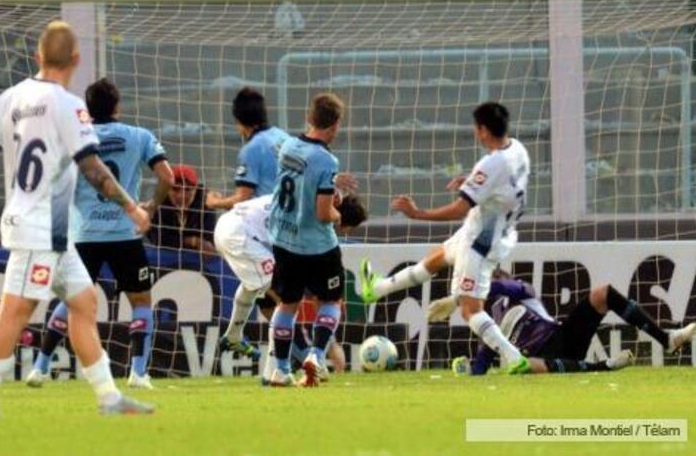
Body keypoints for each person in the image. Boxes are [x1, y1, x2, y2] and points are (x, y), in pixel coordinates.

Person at [0, 21, 153, 417]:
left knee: (83, 303)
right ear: (76, 60)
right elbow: (92, 167)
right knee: (15, 311)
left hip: (53, 230)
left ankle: (109, 398)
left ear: (38, 57)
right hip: (40, 229)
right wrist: (131, 206)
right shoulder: (68, 105)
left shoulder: (11, 97)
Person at [359, 102, 532, 374]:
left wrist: (418, 214)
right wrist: (474, 181)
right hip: (496, 231)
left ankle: (513, 357)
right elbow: (503, 185)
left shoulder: (491, 162)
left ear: (483, 130)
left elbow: (459, 208)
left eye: (476, 128)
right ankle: (377, 288)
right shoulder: (517, 149)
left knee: (469, 309)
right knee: (435, 260)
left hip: (480, 242)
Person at [25, 78, 175, 390]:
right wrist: (151, 207)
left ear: (87, 108)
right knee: (141, 300)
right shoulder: (139, 136)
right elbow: (167, 177)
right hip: (126, 233)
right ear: (117, 105)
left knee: (71, 300)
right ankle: (137, 373)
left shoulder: (75, 139)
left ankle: (39, 368)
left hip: (84, 235)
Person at [213, 191, 367, 383]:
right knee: (283, 298)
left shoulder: (307, 198)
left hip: (233, 228)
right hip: (239, 234)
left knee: (255, 285)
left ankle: (233, 336)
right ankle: (275, 373)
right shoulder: (313, 217)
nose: (342, 232)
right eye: (345, 228)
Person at [432, 274, 696, 375]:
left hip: (562, 337)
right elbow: (483, 362)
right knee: (522, 366)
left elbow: (505, 285)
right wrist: (466, 370)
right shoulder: (485, 322)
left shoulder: (521, 290)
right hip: (541, 360)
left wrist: (458, 298)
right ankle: (603, 367)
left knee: (602, 293)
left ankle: (667, 339)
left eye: (495, 276)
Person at [267, 93, 346, 387]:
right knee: (331, 300)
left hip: (283, 239)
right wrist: (340, 213)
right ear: (336, 124)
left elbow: (298, 182)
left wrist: (331, 188)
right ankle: (315, 355)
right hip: (317, 245)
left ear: (309, 118)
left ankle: (281, 370)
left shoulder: (287, 145)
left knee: (287, 305)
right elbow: (324, 213)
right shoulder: (326, 160)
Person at [147, 164, 217, 255]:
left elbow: (208, 240)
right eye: (175, 189)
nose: (181, 196)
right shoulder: (159, 203)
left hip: (195, 259)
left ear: (196, 189)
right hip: (164, 256)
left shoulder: (206, 204)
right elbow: (157, 239)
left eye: (188, 189)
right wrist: (194, 241)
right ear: (167, 190)